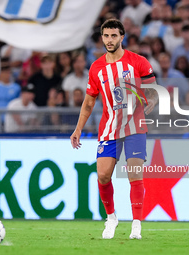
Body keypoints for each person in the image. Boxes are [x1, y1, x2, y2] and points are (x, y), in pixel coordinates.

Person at [70, 19, 158, 240]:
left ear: (122, 37)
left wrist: (152, 101)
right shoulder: (97, 68)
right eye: (106, 36)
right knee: (103, 175)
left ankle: (136, 224)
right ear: (102, 38)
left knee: (134, 172)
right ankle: (111, 218)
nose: (109, 40)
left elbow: (153, 90)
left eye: (114, 36)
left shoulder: (138, 62)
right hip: (109, 128)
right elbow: (89, 102)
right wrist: (78, 129)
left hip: (135, 125)